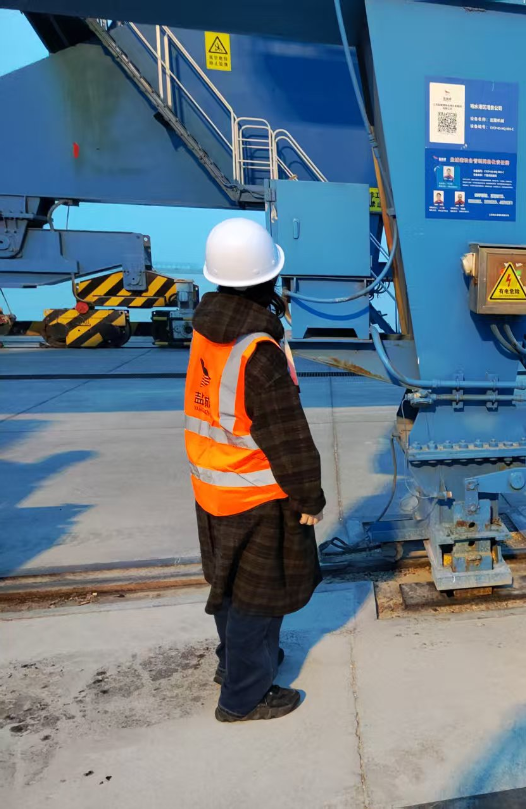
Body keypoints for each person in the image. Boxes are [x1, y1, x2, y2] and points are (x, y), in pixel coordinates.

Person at [185, 218, 325, 722]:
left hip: (211, 488)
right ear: (268, 279)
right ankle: (243, 697)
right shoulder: (258, 353)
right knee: (258, 598)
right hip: (256, 493)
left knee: (227, 586)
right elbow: (288, 438)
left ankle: (235, 664)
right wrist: (309, 498)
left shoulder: (206, 332)